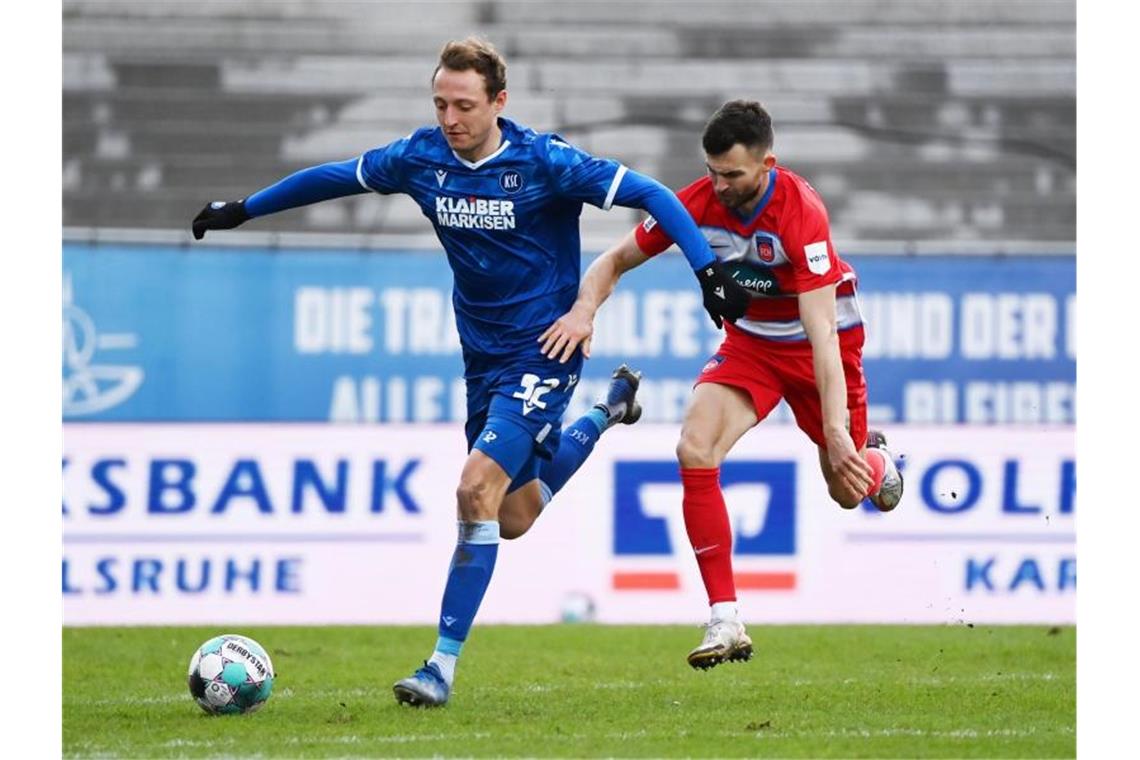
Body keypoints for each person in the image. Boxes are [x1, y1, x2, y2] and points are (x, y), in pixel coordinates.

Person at [191, 38, 752, 707]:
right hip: (482, 359)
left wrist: (707, 271)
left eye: (463, 105)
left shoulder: (544, 162)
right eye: (440, 103)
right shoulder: (422, 158)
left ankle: (439, 667)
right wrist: (243, 209)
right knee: (511, 516)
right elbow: (334, 176)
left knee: (473, 488)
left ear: (498, 102)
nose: (450, 117)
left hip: (543, 352)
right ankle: (608, 412)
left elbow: (653, 193)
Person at [539, 99, 904, 670]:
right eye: (712, 171)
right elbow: (613, 260)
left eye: (732, 174)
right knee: (694, 447)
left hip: (817, 350)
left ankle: (874, 458)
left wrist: (836, 433)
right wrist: (585, 309)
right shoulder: (695, 202)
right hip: (752, 346)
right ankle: (725, 617)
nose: (720, 184)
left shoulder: (800, 210)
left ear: (767, 164)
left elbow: (823, 330)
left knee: (847, 488)